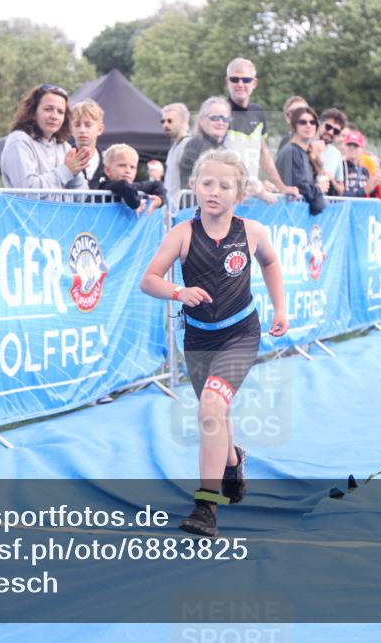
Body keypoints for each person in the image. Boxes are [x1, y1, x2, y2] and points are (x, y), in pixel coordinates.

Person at [139, 148, 288, 537]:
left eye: (225, 185)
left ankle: (207, 506)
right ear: (193, 186)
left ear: (239, 194)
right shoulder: (182, 234)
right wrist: (178, 292)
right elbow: (149, 279)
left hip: (241, 333)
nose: (214, 191)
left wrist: (279, 310)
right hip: (200, 338)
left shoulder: (251, 232)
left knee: (210, 407)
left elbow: (271, 263)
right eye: (207, 183)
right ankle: (233, 459)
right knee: (216, 414)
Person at [223, 57, 297, 197]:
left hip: (250, 194)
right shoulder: (219, 113)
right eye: (234, 79)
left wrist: (281, 186)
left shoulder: (258, 112)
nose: (240, 84)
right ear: (227, 82)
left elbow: (263, 153)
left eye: (246, 80)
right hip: (227, 193)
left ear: (254, 83)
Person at [0, 84, 90, 191]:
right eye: (48, 109)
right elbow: (27, 190)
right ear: (33, 112)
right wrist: (66, 171)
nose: (54, 116)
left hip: (61, 209)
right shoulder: (19, 141)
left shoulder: (64, 147)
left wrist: (74, 175)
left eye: (60, 112)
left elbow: (82, 196)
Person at [274, 105, 328, 215]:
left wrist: (319, 164)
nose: (308, 125)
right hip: (287, 216)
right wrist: (319, 189)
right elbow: (301, 188)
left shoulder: (304, 153)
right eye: (303, 122)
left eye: (312, 122)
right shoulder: (292, 152)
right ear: (294, 126)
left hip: (297, 219)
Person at [178, 97, 231, 191]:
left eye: (225, 119)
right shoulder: (196, 144)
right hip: (197, 203)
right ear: (202, 121)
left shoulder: (221, 147)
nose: (221, 122)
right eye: (215, 118)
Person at [98, 144, 165, 215]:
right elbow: (123, 185)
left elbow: (156, 184)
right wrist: (137, 204)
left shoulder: (132, 186)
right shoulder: (104, 186)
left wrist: (160, 200)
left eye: (132, 167)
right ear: (108, 171)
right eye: (122, 165)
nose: (128, 170)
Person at [68, 99, 106, 189]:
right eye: (77, 125)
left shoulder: (108, 161)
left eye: (88, 125)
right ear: (71, 129)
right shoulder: (63, 157)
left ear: (100, 129)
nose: (82, 130)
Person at [162, 102, 191, 214]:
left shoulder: (188, 145)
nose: (165, 125)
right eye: (163, 121)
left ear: (184, 122)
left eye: (170, 121)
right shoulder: (175, 146)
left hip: (182, 209)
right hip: (172, 209)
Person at [318, 108, 346, 195]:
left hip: (325, 205)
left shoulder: (336, 154)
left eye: (336, 131)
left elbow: (341, 190)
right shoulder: (305, 146)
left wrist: (332, 180)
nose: (331, 132)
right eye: (328, 127)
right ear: (319, 124)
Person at [341, 130, 369, 197]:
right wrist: (366, 189)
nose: (352, 148)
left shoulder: (364, 170)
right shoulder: (340, 167)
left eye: (356, 146)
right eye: (349, 145)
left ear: (362, 149)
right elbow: (339, 194)